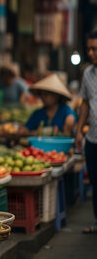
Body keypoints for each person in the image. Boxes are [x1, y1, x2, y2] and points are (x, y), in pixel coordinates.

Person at [76, 30, 97, 234]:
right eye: (89, 49)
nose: (91, 53)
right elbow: (85, 104)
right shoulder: (88, 74)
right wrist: (79, 131)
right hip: (92, 138)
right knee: (95, 183)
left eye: (94, 49)